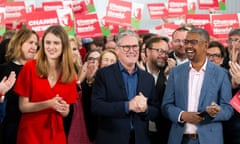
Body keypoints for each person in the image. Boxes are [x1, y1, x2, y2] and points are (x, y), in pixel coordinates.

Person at [161, 28, 233, 144]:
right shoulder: (176, 72)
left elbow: (228, 109)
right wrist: (182, 115)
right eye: (186, 42)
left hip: (209, 140)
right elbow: (166, 105)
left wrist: (215, 112)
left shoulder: (221, 74)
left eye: (193, 42)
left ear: (205, 45)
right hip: (179, 139)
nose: (188, 46)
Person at [91, 29, 159, 144]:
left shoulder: (148, 78)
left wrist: (145, 109)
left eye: (135, 46)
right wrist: (127, 106)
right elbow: (97, 106)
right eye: (126, 47)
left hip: (140, 139)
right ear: (117, 50)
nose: (131, 51)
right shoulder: (104, 74)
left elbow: (156, 112)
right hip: (111, 139)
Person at [13, 25, 78, 144]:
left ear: (63, 46)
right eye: (48, 42)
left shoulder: (69, 74)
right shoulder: (30, 68)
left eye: (56, 43)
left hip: (56, 134)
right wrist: (49, 104)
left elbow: (66, 112)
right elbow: (23, 106)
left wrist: (62, 108)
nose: (51, 47)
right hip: (31, 133)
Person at [0, 28, 39, 144]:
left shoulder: (40, 70)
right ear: (18, 43)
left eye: (36, 43)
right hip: (11, 129)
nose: (34, 47)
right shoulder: (3, 69)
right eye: (30, 42)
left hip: (35, 128)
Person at [144, 36, 175, 144]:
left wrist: (170, 78)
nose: (164, 56)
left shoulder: (171, 74)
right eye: (160, 51)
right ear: (147, 51)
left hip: (163, 134)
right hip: (138, 133)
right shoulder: (136, 71)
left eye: (166, 52)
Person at [223, 28, 240, 144]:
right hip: (225, 123)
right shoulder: (221, 63)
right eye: (230, 40)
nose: (233, 44)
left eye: (237, 40)